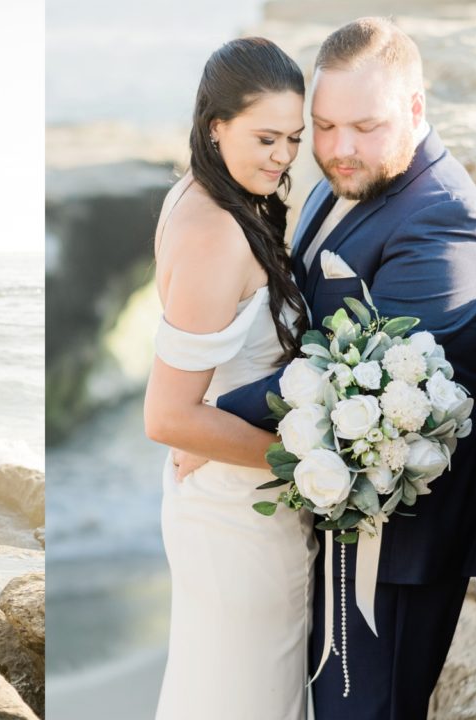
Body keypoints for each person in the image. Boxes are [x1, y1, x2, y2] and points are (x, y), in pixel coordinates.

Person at [186, 18, 476, 719]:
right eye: (324, 126)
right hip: (329, 517)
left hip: (387, 555)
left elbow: (353, 389)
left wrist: (204, 419)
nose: (338, 149)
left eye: (364, 125)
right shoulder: (343, 183)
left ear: (417, 108)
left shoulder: (444, 227)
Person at [143, 37, 315, 720]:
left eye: (294, 139)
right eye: (266, 137)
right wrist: (311, 467)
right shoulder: (215, 231)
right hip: (242, 517)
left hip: (224, 495)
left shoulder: (195, 190)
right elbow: (168, 418)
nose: (283, 156)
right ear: (217, 126)